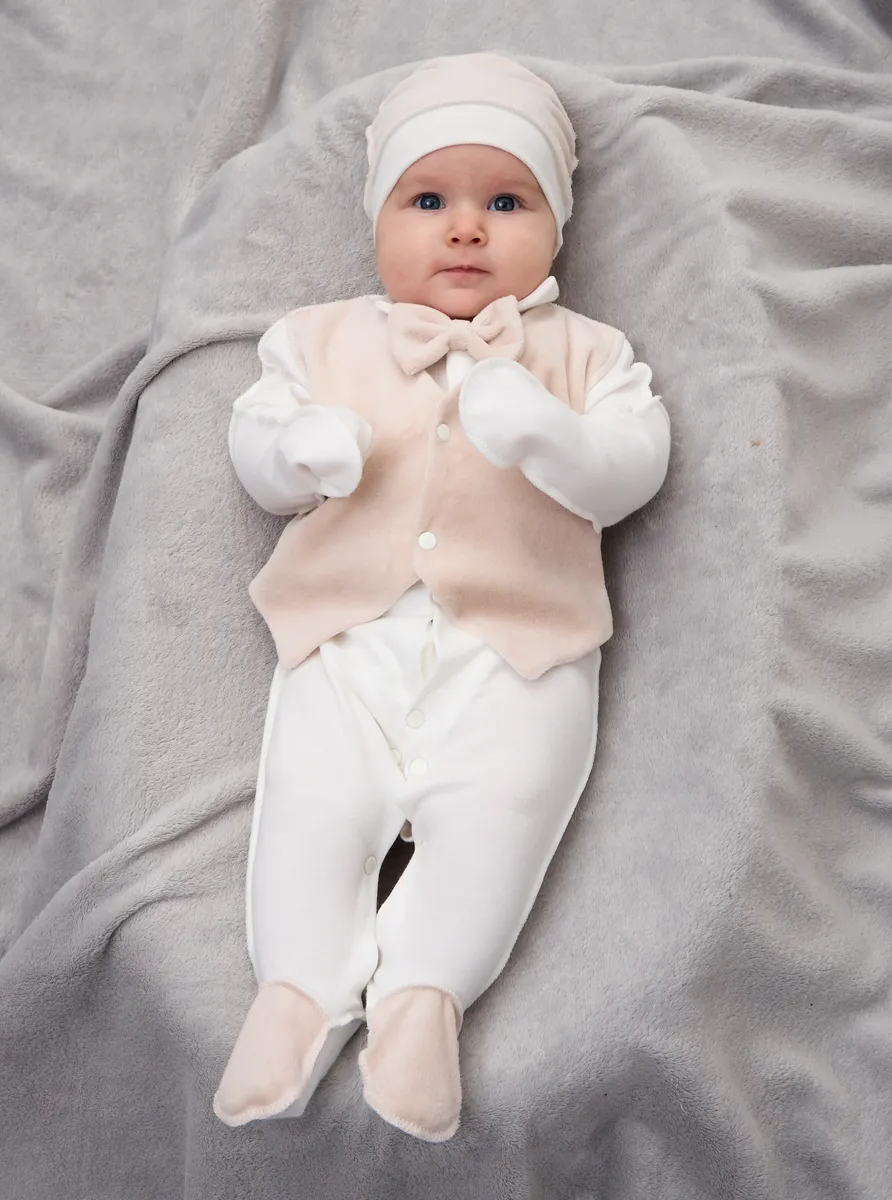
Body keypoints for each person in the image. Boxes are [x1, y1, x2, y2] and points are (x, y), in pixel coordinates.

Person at [213, 51, 671, 1143]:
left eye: (506, 203)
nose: (465, 229)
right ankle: (297, 990)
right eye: (428, 201)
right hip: (348, 636)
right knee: (313, 802)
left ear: (556, 227)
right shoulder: (317, 339)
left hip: (523, 649)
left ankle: (427, 997)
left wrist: (553, 438)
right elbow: (253, 442)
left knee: (501, 813)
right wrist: (297, 449)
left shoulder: (590, 353)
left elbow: (635, 465)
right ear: (378, 219)